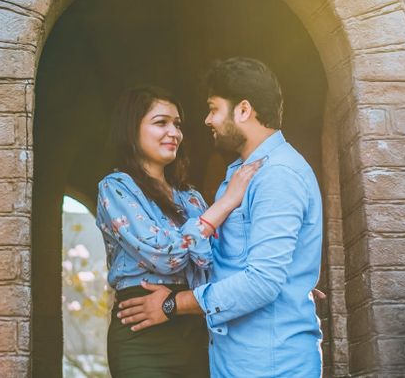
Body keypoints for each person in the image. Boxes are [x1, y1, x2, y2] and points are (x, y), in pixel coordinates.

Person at [115, 58, 324, 378]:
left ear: (243, 110)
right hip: (237, 361)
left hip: (271, 364)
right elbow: (234, 264)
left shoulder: (277, 175)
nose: (207, 120)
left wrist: (173, 305)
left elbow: (263, 282)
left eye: (213, 108)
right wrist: (295, 280)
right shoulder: (240, 176)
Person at [95, 84, 263, 378]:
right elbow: (162, 255)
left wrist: (273, 278)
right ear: (131, 129)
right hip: (141, 336)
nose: (174, 132)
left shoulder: (192, 198)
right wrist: (225, 204)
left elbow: (218, 261)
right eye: (161, 123)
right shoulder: (116, 187)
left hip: (194, 328)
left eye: (177, 124)